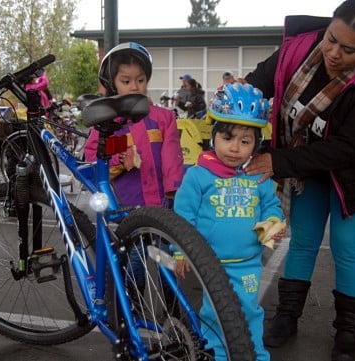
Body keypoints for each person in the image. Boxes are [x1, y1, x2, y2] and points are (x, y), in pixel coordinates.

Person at [243, 1, 355, 360]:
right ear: (328, 27)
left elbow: (346, 148)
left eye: (348, 49)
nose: (333, 53)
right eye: (331, 39)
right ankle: (286, 317)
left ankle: (348, 332)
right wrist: (240, 98)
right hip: (308, 167)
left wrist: (276, 161)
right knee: (303, 240)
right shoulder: (298, 48)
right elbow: (261, 80)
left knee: (346, 244)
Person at [174, 82, 285, 361]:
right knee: (214, 313)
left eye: (245, 141)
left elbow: (272, 206)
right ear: (213, 137)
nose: (235, 148)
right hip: (210, 263)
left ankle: (256, 354)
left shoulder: (258, 176)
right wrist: (180, 251)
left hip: (248, 262)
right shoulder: (198, 175)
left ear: (256, 145)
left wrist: (272, 226)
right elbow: (183, 216)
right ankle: (217, 355)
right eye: (227, 138)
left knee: (249, 310)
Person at [85, 41, 184, 209]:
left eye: (140, 80)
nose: (134, 87)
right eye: (126, 81)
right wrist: (120, 158)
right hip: (125, 205)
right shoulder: (107, 122)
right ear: (112, 84)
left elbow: (172, 158)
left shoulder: (164, 118)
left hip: (163, 204)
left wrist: (175, 192)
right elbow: (93, 157)